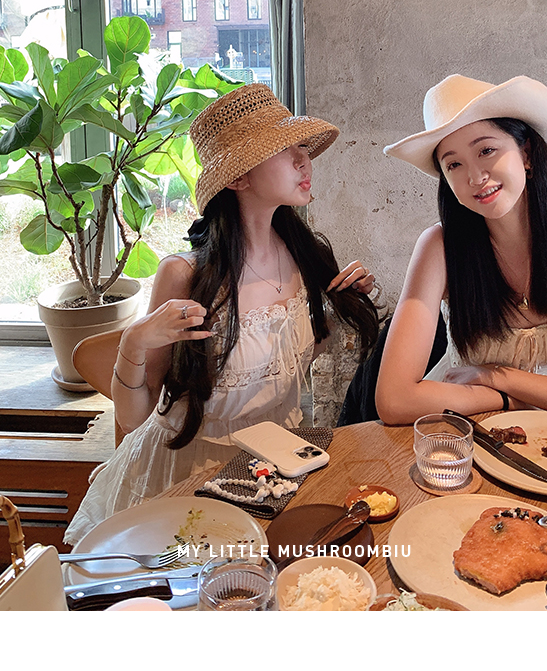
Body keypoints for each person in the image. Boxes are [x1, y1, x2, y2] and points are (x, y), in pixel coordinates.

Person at [65, 83, 379, 544]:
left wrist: (345, 304)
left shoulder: (307, 255)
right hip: (190, 471)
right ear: (237, 179)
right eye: (284, 149)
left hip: (274, 464)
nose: (303, 160)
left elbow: (289, 363)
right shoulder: (185, 276)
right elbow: (134, 419)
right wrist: (134, 342)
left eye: (301, 147)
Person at [375, 73, 547, 427]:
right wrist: (504, 400)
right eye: (453, 164)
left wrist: (496, 378)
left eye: (486, 150)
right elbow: (393, 400)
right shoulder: (439, 247)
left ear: (526, 153)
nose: (475, 177)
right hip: (465, 423)